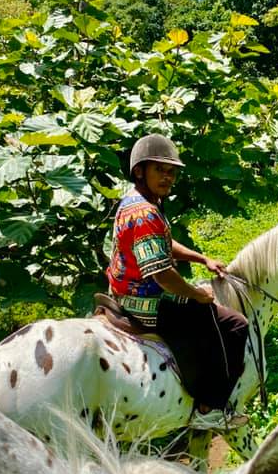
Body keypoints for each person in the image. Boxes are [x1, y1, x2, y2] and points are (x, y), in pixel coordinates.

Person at [106, 134, 249, 431]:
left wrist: (201, 259)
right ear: (139, 171)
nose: (168, 177)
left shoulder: (136, 201)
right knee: (234, 325)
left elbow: (164, 245)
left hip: (121, 293)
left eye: (172, 171)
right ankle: (211, 408)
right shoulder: (145, 212)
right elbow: (161, 274)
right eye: (160, 169)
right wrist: (197, 295)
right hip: (147, 303)